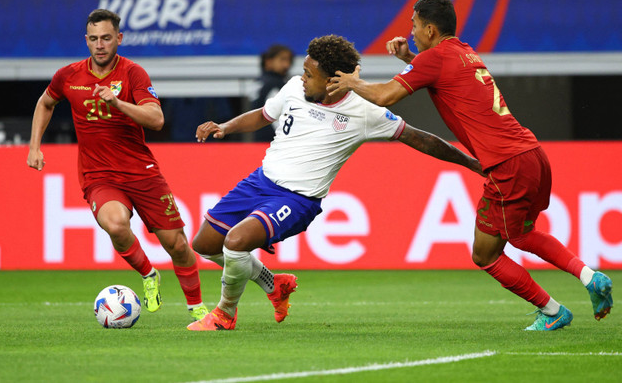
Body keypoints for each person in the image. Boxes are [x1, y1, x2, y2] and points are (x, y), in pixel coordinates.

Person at [326, 0, 613, 331]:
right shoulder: (463, 51)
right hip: (532, 155)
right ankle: (586, 278)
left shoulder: (434, 59)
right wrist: (410, 58)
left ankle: (555, 309)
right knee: (521, 235)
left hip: (507, 163)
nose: (412, 32)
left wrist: (350, 82)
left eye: (415, 26)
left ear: (430, 29)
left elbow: (386, 96)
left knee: (485, 255)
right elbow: (439, 73)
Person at [186, 34, 484, 331]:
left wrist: (472, 163)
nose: (301, 78)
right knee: (205, 244)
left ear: (331, 80)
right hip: (260, 181)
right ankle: (274, 285)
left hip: (297, 199)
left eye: (309, 74)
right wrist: (226, 126)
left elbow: (422, 139)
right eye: (303, 71)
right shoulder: (293, 88)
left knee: (235, 243)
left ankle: (225, 314)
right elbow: (264, 115)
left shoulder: (365, 111)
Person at [27, 9, 208, 322]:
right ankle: (149, 275)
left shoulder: (133, 74)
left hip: (140, 171)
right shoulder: (68, 75)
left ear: (119, 39)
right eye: (94, 39)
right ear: (86, 40)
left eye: (106, 38)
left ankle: (196, 306)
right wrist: (34, 146)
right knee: (115, 225)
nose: (100, 45)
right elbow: (46, 102)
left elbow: (156, 119)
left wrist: (118, 103)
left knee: (177, 244)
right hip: (98, 174)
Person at [249, 44, 294, 142]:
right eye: (282, 59)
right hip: (273, 140)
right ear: (268, 61)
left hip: (257, 138)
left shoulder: (258, 81)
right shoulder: (276, 84)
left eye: (289, 60)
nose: (287, 65)